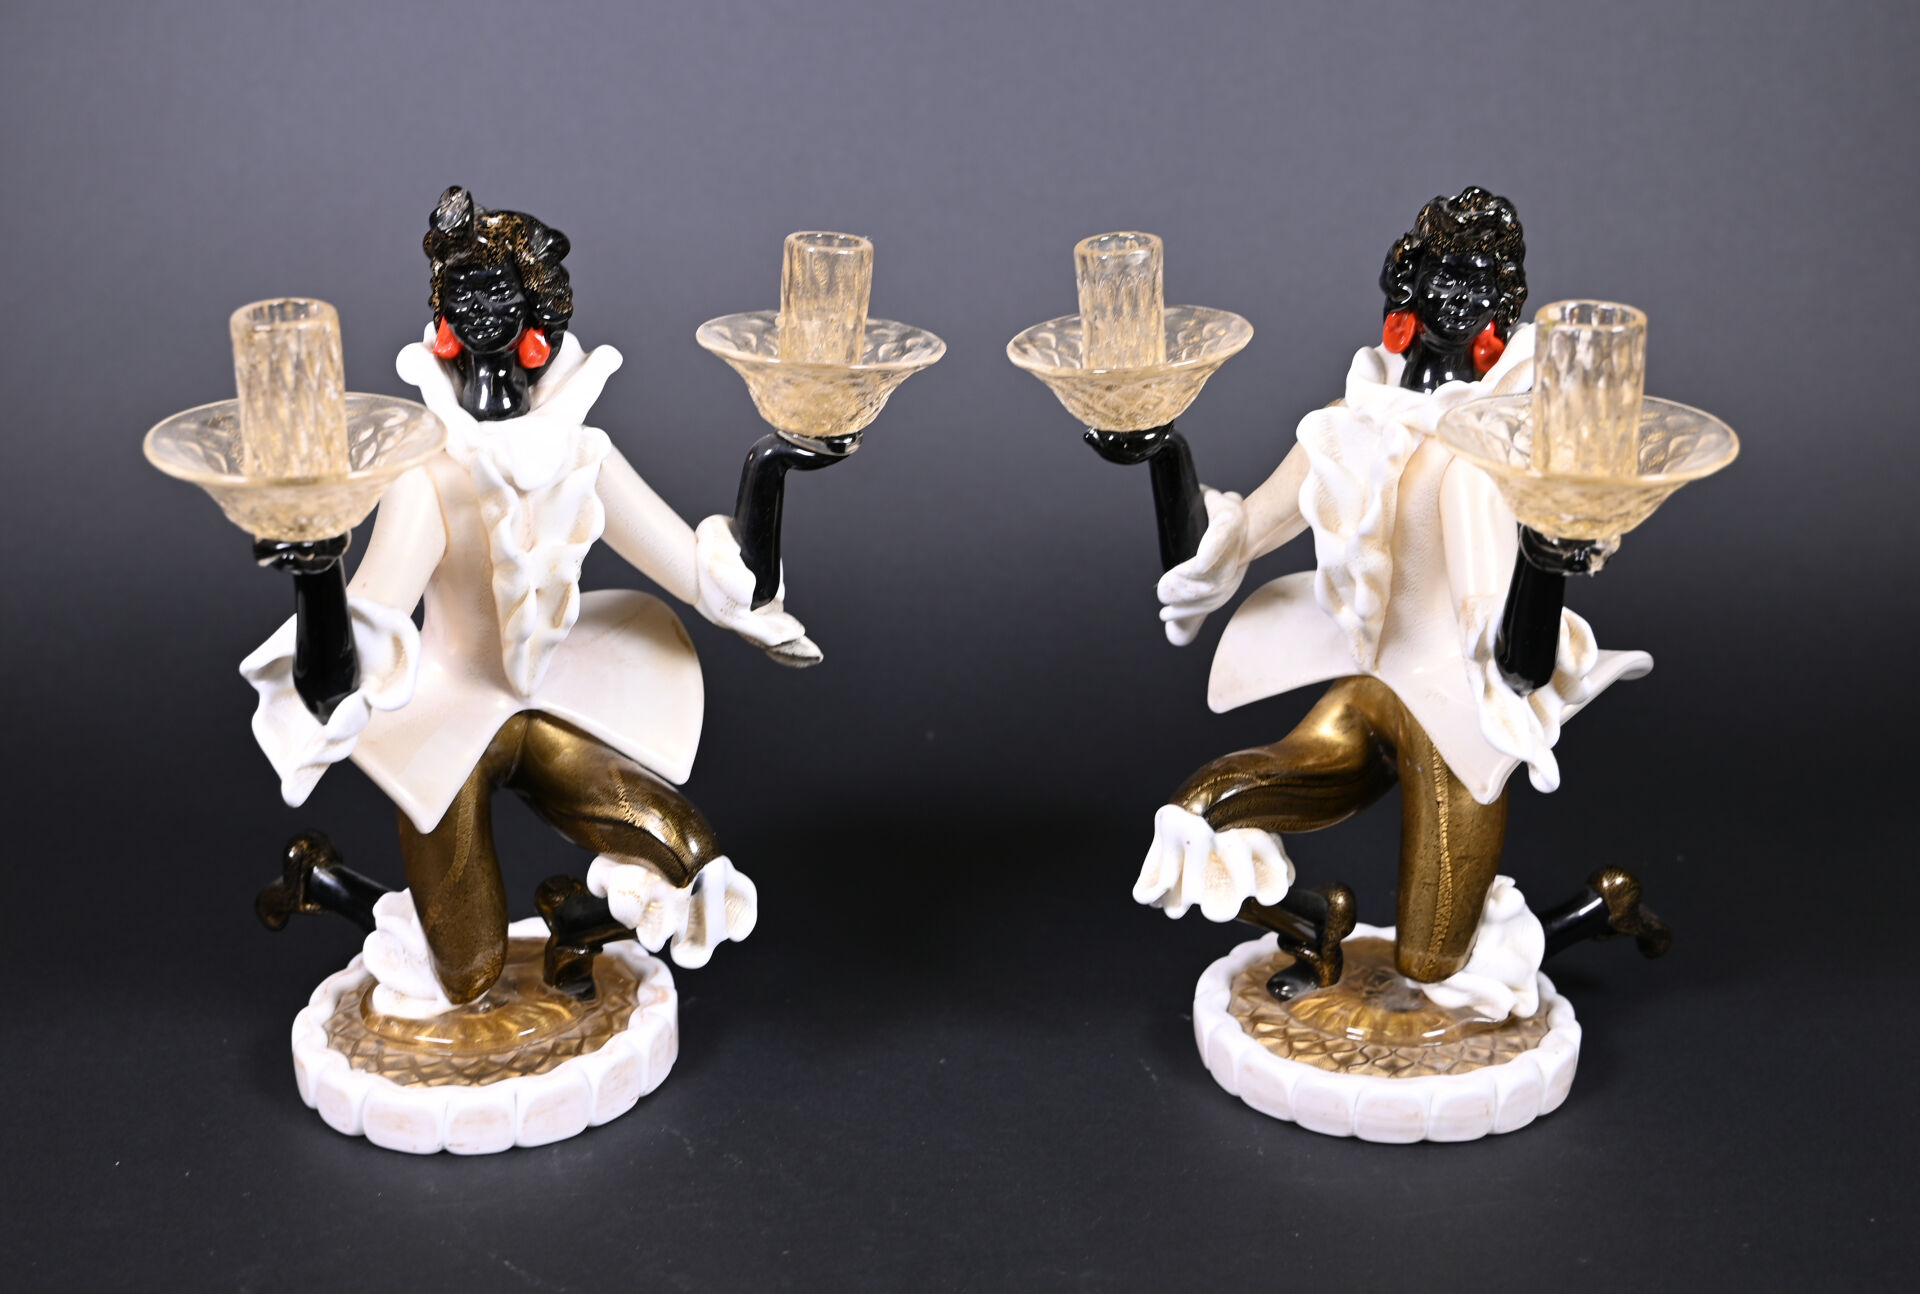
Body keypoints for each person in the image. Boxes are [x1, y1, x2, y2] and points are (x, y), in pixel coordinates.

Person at [240, 187, 814, 1012]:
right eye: (462, 290)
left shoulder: (580, 452)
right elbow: (369, 624)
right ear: (442, 314)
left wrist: (773, 463)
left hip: (555, 699)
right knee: (465, 976)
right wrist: (314, 567)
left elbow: (704, 573)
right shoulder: (427, 474)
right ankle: (326, 882)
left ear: (538, 311)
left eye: (497, 288)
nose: (478, 305)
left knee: (689, 858)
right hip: (447, 715)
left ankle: (575, 922)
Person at [1133, 187, 1651, 1009]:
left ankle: (1594, 910)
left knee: (1436, 968)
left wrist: (1547, 556)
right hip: (1371, 694)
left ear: (1500, 311)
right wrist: (1161, 444)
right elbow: (1218, 546)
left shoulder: (1501, 447)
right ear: (1406, 288)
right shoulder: (1351, 422)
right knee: (1197, 813)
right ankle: (1317, 931)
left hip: (1457, 720)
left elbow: (1514, 665)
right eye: (1439, 275)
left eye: (1476, 283)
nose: (1452, 298)